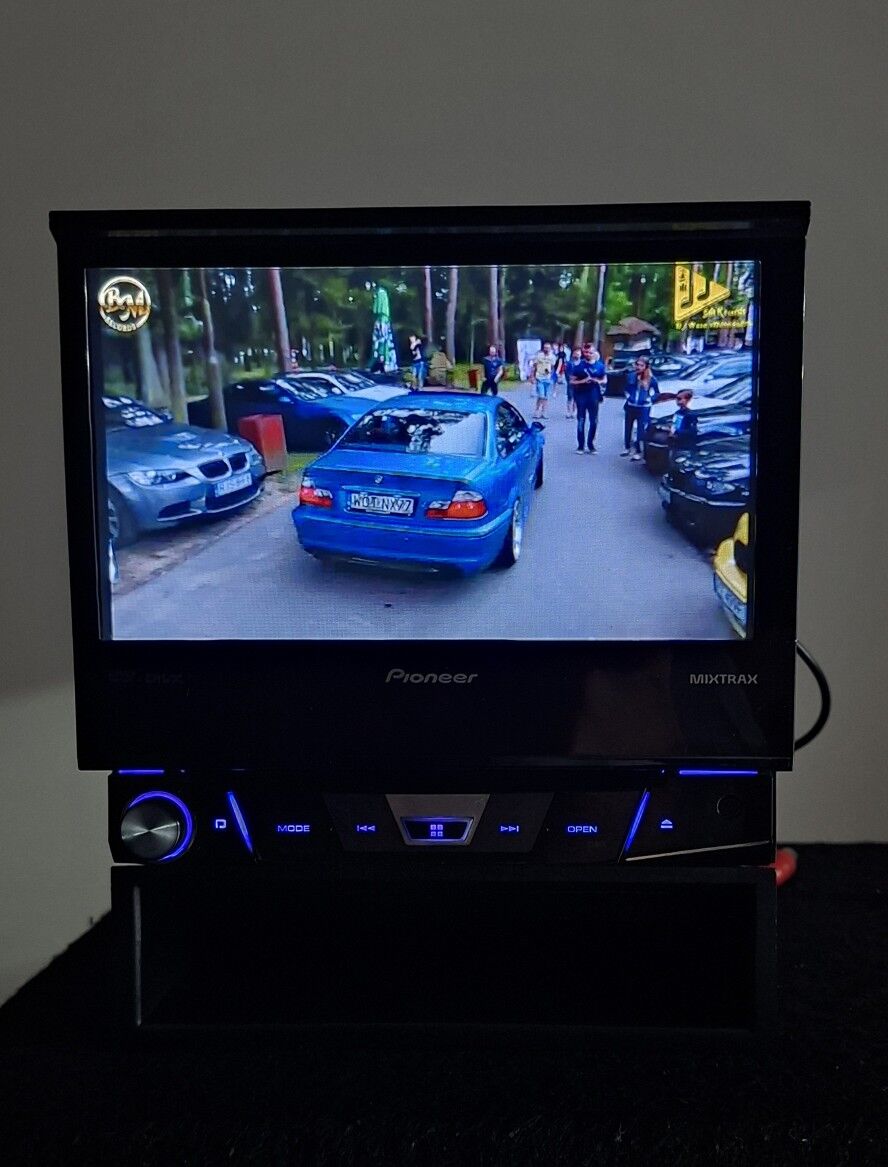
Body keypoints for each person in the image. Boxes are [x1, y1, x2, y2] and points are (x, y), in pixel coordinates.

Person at [622, 355, 659, 461]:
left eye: (641, 365)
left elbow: (657, 393)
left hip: (643, 407)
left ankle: (638, 451)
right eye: (637, 365)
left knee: (641, 429)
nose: (638, 367)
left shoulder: (651, 379)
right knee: (628, 427)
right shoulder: (631, 376)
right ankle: (627, 447)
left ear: (646, 367)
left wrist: (649, 399)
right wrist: (629, 397)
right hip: (631, 405)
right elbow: (625, 389)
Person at [571, 342, 606, 453]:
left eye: (590, 352)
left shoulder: (600, 366)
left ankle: (591, 444)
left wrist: (597, 381)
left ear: (594, 353)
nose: (588, 354)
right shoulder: (578, 366)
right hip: (581, 396)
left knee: (594, 421)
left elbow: (604, 379)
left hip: (594, 396)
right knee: (581, 421)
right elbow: (572, 381)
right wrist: (583, 381)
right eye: (586, 352)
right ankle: (580, 446)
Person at [529, 342, 556, 419]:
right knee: (541, 395)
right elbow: (534, 367)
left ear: (550, 349)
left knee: (546, 397)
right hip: (539, 378)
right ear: (543, 348)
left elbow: (552, 367)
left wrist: (552, 377)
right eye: (545, 348)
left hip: (548, 378)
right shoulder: (539, 356)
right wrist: (532, 376)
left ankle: (544, 412)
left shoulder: (552, 357)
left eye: (548, 348)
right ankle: (537, 411)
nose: (546, 349)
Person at [564, 344, 583, 420]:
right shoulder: (569, 363)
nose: (577, 355)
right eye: (575, 353)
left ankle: (574, 411)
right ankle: (568, 411)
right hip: (571, 383)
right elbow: (566, 372)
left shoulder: (582, 363)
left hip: (579, 383)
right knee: (570, 397)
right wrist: (569, 380)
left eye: (578, 354)